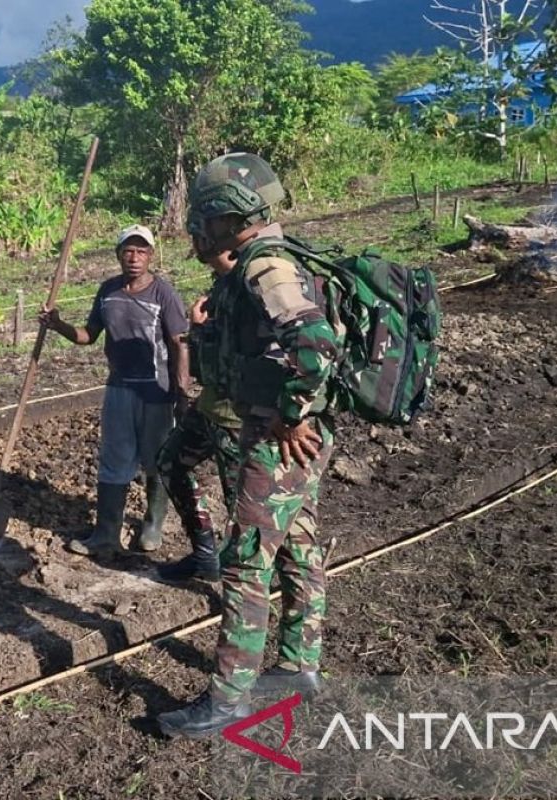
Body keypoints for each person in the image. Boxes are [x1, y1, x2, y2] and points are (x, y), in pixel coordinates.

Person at [156, 153, 340, 739]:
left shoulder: (267, 266)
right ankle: (298, 664)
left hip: (274, 440)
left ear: (226, 218)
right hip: (284, 438)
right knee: (298, 545)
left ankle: (229, 697)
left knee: (246, 563)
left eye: (205, 219)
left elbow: (313, 345)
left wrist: (291, 413)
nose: (200, 231)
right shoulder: (259, 266)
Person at [40, 224, 189, 555]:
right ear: (119, 255)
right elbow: (88, 335)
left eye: (141, 251)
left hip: (156, 390)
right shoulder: (108, 291)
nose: (134, 258)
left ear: (151, 255)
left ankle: (152, 525)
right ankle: (106, 533)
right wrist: (58, 324)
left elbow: (179, 344)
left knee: (156, 460)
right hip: (119, 387)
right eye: (128, 251)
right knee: (114, 459)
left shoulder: (163, 293)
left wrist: (182, 390)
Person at [153, 257, 244, 582]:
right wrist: (199, 328)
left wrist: (201, 331)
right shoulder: (220, 288)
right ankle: (205, 555)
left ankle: (241, 580)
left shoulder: (252, 290)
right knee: (169, 463)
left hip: (240, 422)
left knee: (242, 504)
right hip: (209, 409)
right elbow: (203, 364)